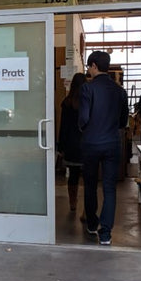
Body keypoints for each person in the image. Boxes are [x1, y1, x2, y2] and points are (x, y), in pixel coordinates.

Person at [78, 51, 129, 246]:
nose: (88, 70)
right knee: (109, 188)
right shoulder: (120, 91)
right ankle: (105, 233)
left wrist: (86, 130)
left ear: (93, 66)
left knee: (90, 185)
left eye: (89, 67)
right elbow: (123, 120)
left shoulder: (87, 89)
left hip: (91, 143)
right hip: (112, 143)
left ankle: (92, 224)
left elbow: (83, 118)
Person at [58, 72, 86, 212]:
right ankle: (87, 207)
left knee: (73, 176)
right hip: (87, 144)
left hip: (71, 145)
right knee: (88, 177)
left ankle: (73, 204)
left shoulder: (67, 102)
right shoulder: (88, 102)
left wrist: (61, 146)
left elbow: (63, 127)